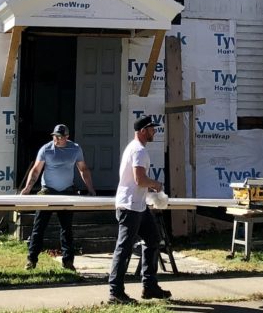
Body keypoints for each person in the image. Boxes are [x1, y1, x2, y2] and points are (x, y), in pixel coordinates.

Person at [108, 114, 171, 303]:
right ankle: (115, 292)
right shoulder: (139, 151)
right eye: (152, 129)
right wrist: (156, 185)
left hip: (139, 206)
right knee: (124, 248)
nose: (154, 131)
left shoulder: (136, 148)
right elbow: (140, 180)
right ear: (143, 131)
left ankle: (149, 286)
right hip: (130, 207)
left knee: (153, 240)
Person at [21, 123, 96, 270]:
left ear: (67, 137)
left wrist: (91, 189)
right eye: (55, 136)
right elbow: (36, 170)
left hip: (67, 192)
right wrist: (27, 188)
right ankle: (31, 259)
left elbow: (83, 169)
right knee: (39, 227)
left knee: (66, 228)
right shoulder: (46, 149)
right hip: (48, 191)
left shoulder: (75, 149)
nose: (57, 140)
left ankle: (68, 262)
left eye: (60, 137)